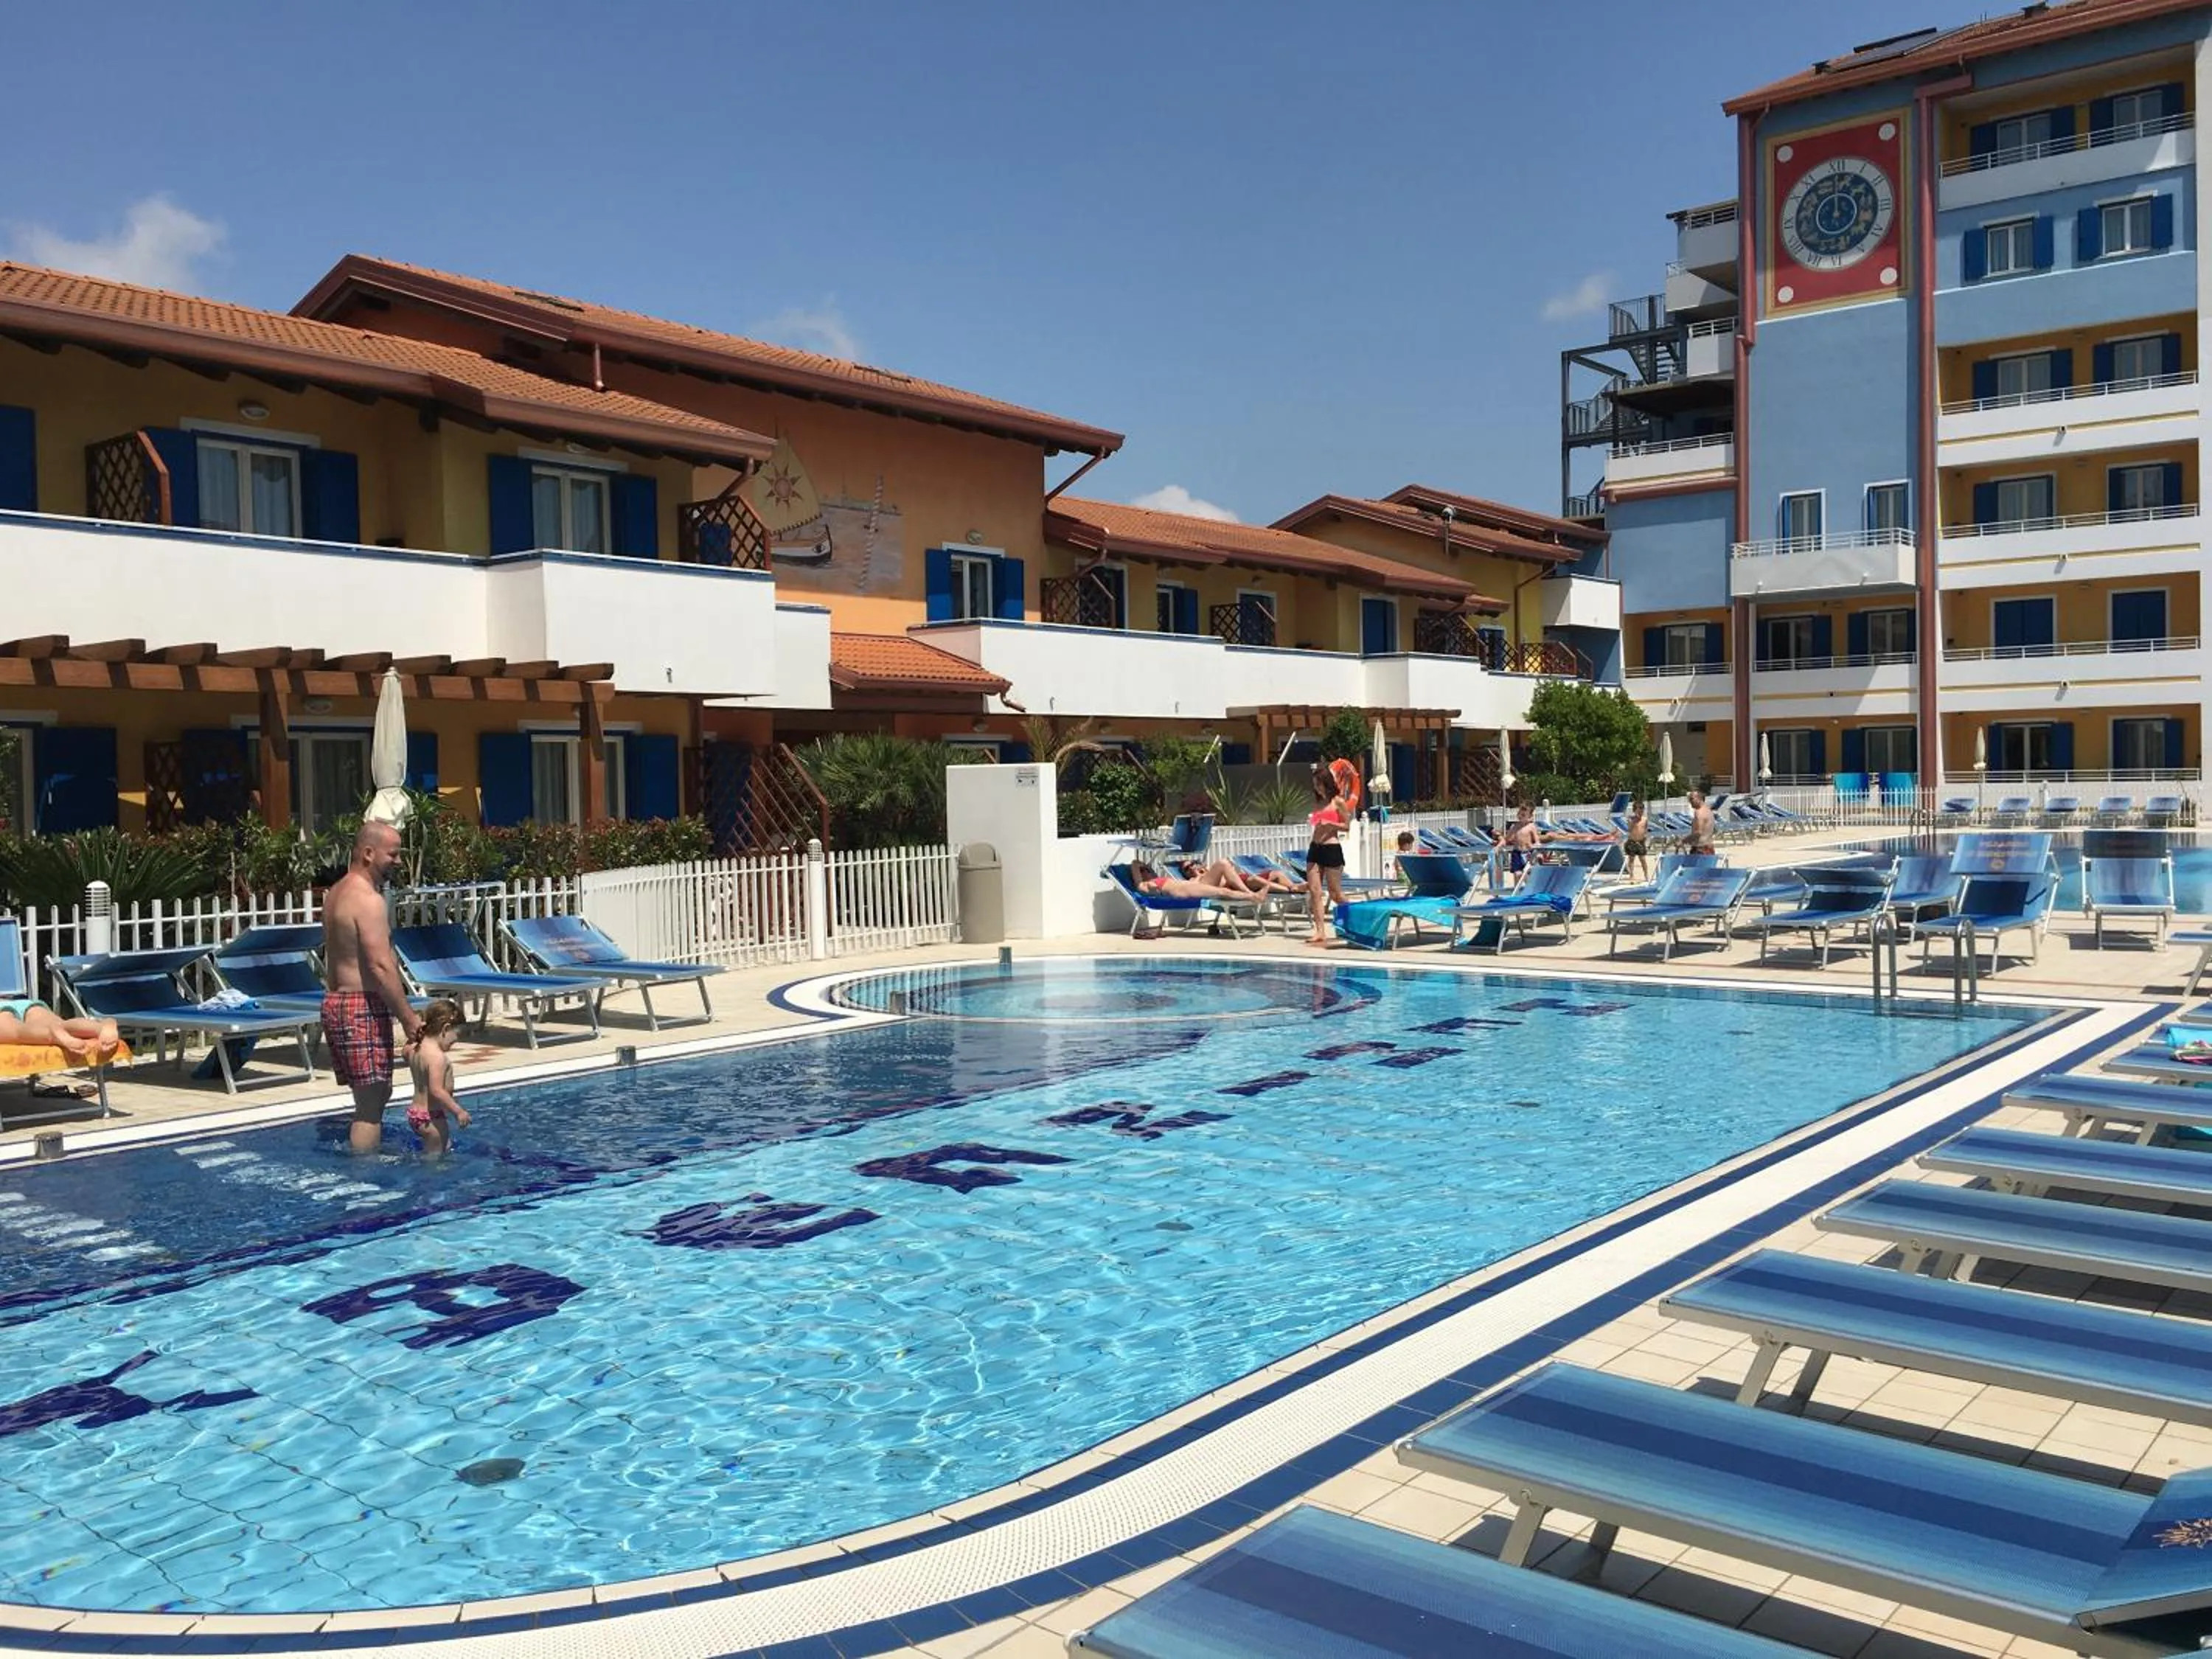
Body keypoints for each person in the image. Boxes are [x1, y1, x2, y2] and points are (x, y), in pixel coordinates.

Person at [321, 821, 425, 1155]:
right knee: (371, 1104)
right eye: (392, 854)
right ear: (368, 853)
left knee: (373, 1096)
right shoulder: (368, 900)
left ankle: (362, 1162)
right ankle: (366, 1181)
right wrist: (408, 1018)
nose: (397, 861)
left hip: (337, 1003)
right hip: (360, 1006)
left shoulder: (336, 892)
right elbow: (380, 966)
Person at [405, 998, 471, 1158]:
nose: (456, 1041)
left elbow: (405, 1052)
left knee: (442, 1147)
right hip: (432, 1118)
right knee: (436, 1160)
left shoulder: (415, 1049)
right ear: (446, 1029)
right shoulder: (437, 1057)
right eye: (457, 1035)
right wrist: (458, 1111)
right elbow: (437, 1090)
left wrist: (417, 1035)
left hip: (415, 1114)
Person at [1303, 762, 1356, 945]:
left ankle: (1355, 918)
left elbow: (1347, 826)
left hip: (1331, 849)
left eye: (1319, 783)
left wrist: (1330, 824)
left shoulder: (1338, 802)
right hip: (1315, 849)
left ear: (1326, 783)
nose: (1316, 787)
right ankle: (1319, 931)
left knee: (1336, 894)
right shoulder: (1317, 803)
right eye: (1315, 784)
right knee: (1315, 891)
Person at [0, 999, 119, 1065]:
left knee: (19, 1032)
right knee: (62, 1025)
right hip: (23, 1003)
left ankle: (50, 1035)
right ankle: (101, 1026)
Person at [1622, 800, 1651, 883]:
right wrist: (1634, 821)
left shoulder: (1645, 819)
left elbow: (1645, 829)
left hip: (1641, 841)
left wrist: (1645, 838)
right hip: (1632, 841)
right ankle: (1631, 875)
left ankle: (1646, 875)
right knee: (1631, 859)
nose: (1641, 811)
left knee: (1643, 859)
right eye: (1639, 809)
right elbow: (1630, 829)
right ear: (1635, 810)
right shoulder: (1631, 819)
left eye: (1642, 809)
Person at [1686, 790, 1717, 855]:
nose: (1690, 801)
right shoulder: (1709, 811)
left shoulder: (1699, 812)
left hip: (1700, 850)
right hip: (1709, 848)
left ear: (1700, 799)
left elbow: (1698, 833)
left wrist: (1683, 841)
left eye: (1692, 799)